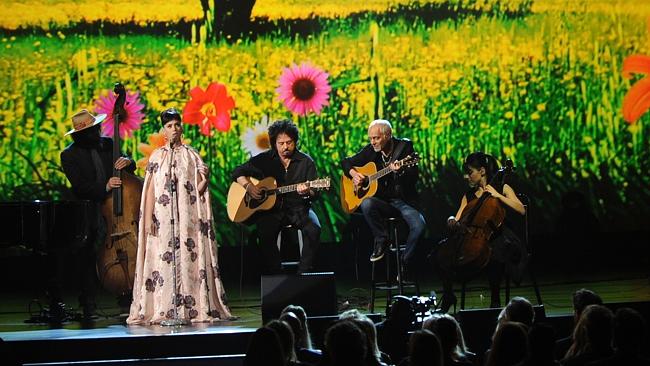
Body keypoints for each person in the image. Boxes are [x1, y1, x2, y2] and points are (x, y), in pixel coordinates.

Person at [126, 108, 231, 324]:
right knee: (163, 258)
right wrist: (147, 221)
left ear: (181, 127)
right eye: (169, 126)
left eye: (176, 124)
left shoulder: (191, 155)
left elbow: (201, 188)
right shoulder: (157, 156)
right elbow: (150, 191)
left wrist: (204, 179)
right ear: (163, 131)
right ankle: (165, 307)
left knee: (187, 258)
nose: (174, 129)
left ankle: (192, 306)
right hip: (163, 219)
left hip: (187, 219)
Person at [60, 109, 136, 318]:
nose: (96, 133)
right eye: (91, 131)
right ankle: (88, 303)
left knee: (126, 250)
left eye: (96, 129)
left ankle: (127, 295)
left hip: (117, 210)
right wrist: (105, 186)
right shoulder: (69, 155)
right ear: (78, 135)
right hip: (90, 211)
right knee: (88, 254)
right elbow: (80, 186)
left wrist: (128, 162)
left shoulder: (109, 144)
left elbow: (129, 165)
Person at [438, 152, 527, 312]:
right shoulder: (468, 196)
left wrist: (498, 195)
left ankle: (495, 300)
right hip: (474, 238)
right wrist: (451, 219)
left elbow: (521, 209)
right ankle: (448, 294)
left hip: (500, 236)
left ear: (482, 171)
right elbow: (458, 218)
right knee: (440, 254)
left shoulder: (502, 187)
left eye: (470, 172)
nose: (467, 176)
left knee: (496, 253)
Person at [231, 119, 321, 274]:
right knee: (264, 233)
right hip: (271, 211)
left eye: (289, 142)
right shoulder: (264, 159)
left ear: (295, 142)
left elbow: (316, 193)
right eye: (281, 143)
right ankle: (277, 274)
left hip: (299, 208)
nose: (285, 147)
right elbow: (237, 172)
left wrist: (308, 191)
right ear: (274, 143)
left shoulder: (306, 162)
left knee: (314, 229)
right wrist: (249, 186)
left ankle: (303, 273)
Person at [341, 119, 425, 272]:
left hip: (403, 201)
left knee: (419, 225)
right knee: (366, 203)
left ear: (388, 135)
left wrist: (400, 171)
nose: (373, 142)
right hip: (383, 203)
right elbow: (345, 162)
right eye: (371, 138)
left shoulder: (404, 148)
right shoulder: (371, 150)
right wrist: (354, 174)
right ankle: (382, 239)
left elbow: (414, 178)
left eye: (376, 138)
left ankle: (404, 263)